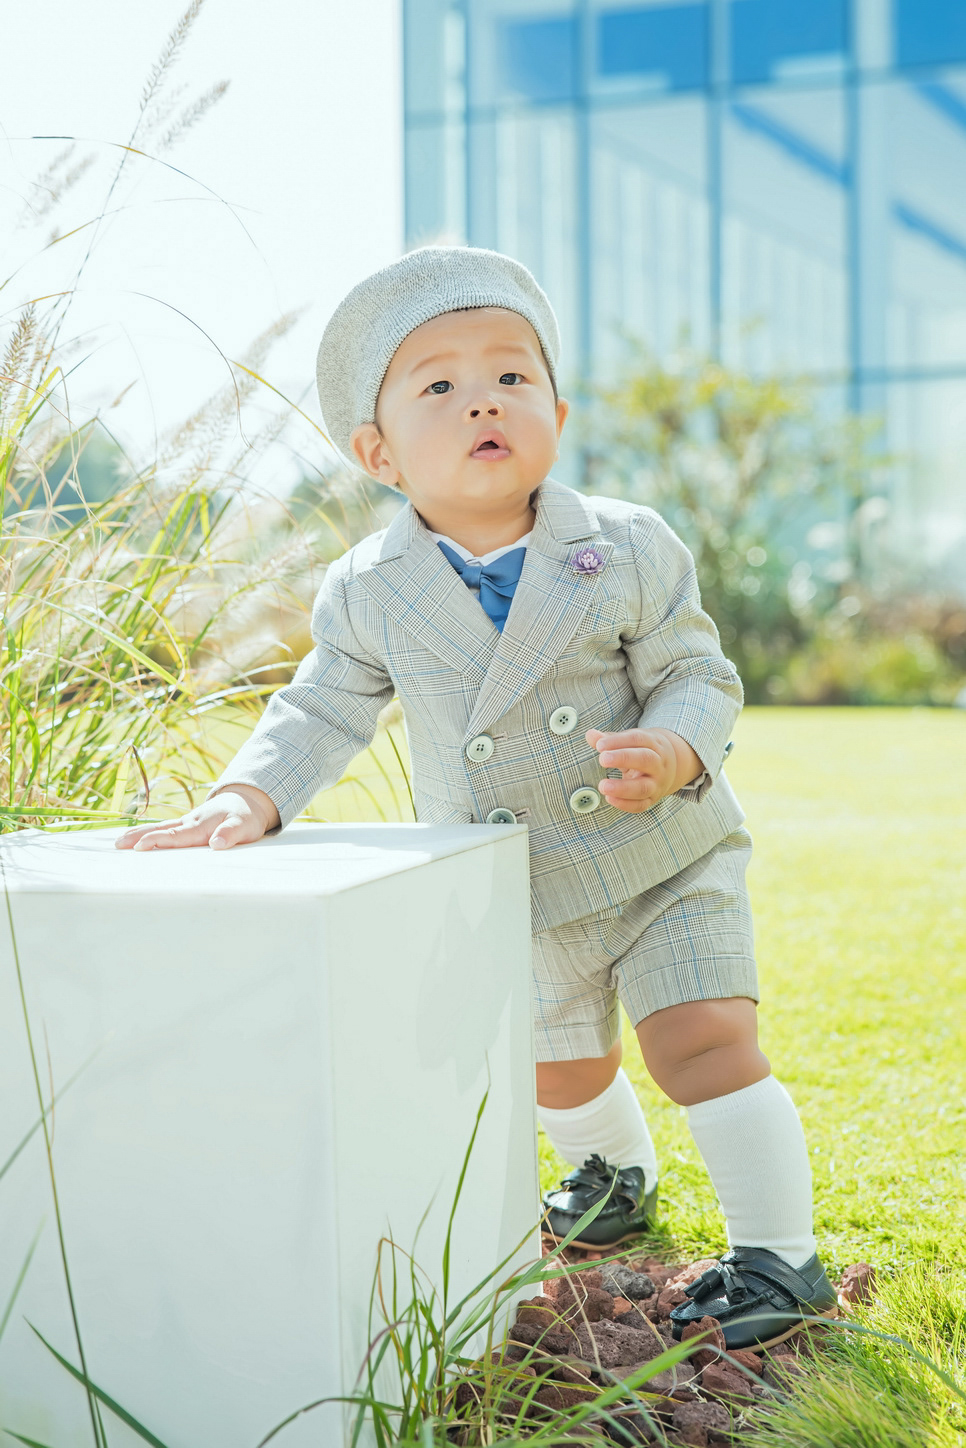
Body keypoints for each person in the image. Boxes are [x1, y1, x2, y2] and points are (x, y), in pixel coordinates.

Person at [116, 245, 835, 1348]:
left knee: (701, 1039)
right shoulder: (369, 589)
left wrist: (675, 748)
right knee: (562, 1067)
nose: (483, 401)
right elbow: (321, 707)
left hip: (664, 851)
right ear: (378, 451)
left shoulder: (628, 547)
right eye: (440, 386)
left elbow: (700, 673)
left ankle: (781, 1257)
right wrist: (250, 793)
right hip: (519, 878)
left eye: (510, 376)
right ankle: (611, 1178)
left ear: (557, 411)